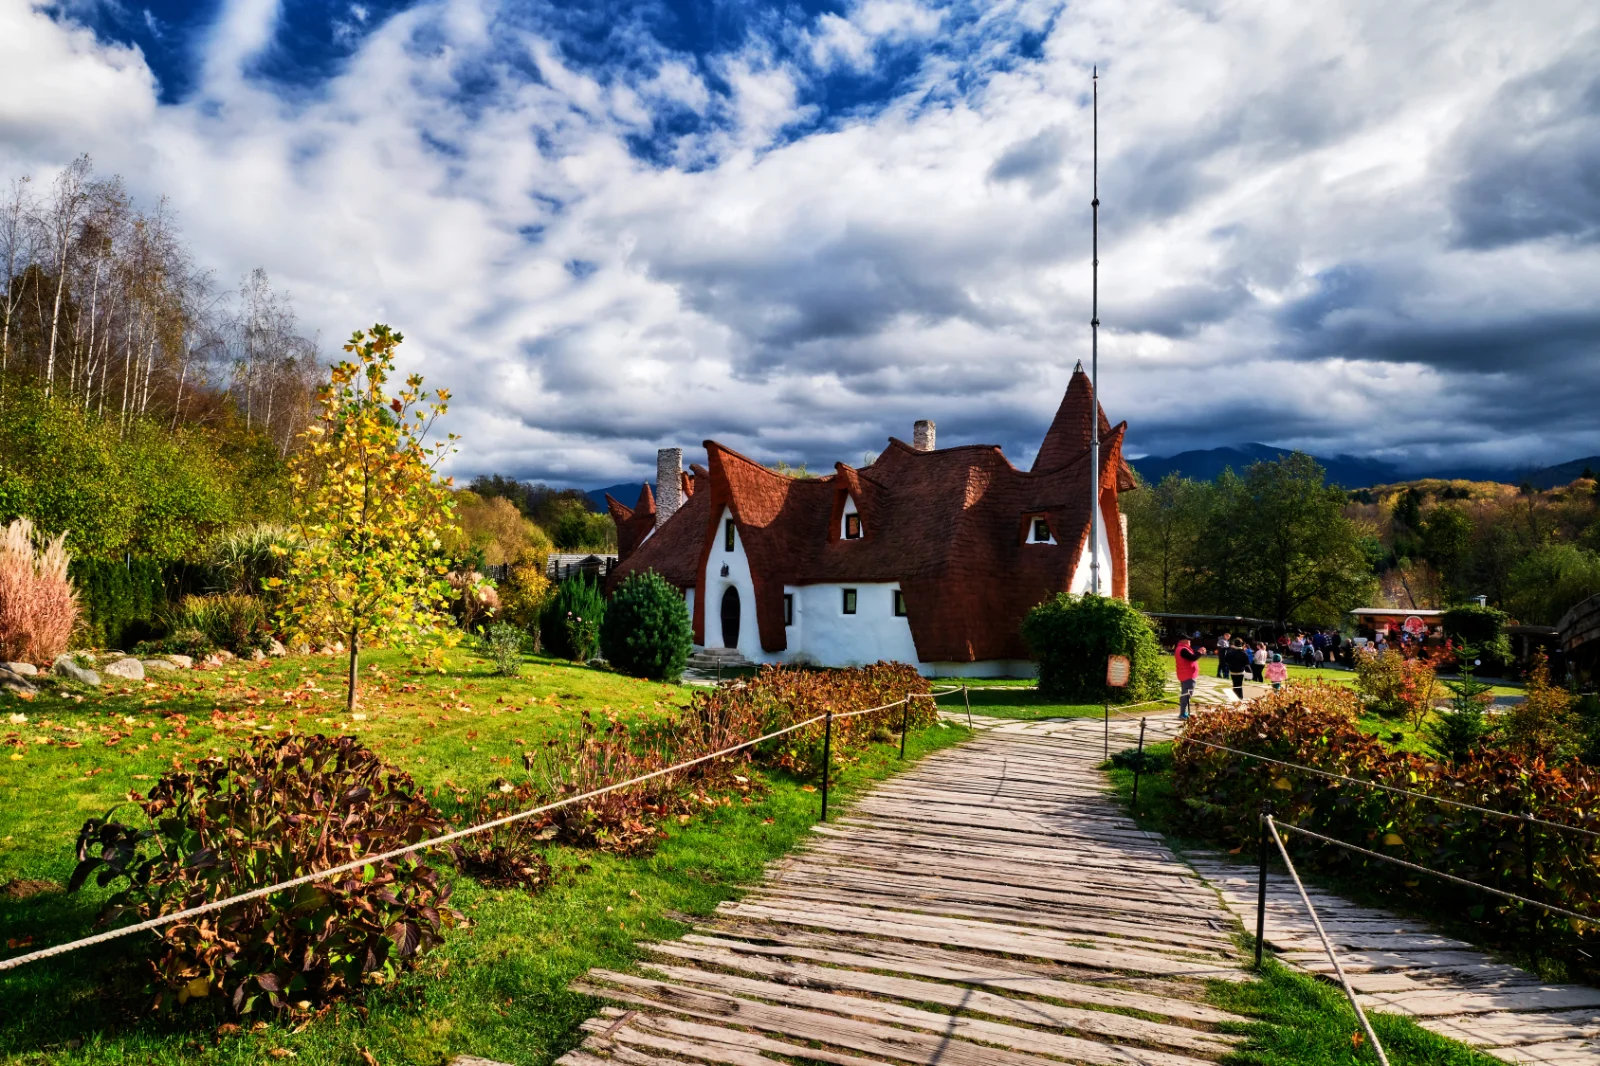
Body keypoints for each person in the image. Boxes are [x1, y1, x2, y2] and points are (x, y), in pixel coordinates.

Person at [1174, 637, 1206, 720]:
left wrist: (1199, 652)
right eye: (1189, 640)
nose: (1190, 642)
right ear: (1184, 641)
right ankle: (1183, 714)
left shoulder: (1183, 648)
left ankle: (1184, 712)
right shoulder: (1183, 649)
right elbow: (1193, 658)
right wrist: (1200, 652)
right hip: (1188, 675)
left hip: (1185, 674)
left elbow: (1193, 655)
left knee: (1185, 694)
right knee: (1186, 695)